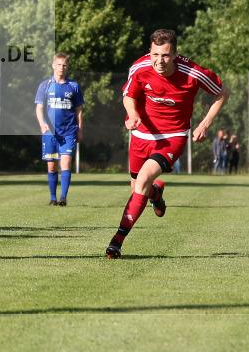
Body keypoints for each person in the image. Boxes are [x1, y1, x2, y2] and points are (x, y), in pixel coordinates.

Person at [105, 29, 228, 259]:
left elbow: (222, 93)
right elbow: (128, 95)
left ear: (175, 54)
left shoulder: (192, 72)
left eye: (165, 55)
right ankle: (156, 194)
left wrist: (204, 125)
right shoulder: (140, 68)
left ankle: (116, 242)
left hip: (172, 137)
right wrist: (132, 114)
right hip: (141, 136)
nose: (159, 61)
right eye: (154, 54)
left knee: (142, 180)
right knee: (138, 190)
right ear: (149, 52)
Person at [35, 53, 83, 206]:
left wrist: (80, 129)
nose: (61, 68)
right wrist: (42, 124)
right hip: (50, 133)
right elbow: (39, 108)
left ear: (67, 67)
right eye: (59, 64)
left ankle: (63, 197)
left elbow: (79, 110)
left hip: (69, 131)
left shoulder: (73, 86)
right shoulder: (45, 85)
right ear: (53, 65)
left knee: (66, 164)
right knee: (51, 166)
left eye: (64, 65)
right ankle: (53, 198)